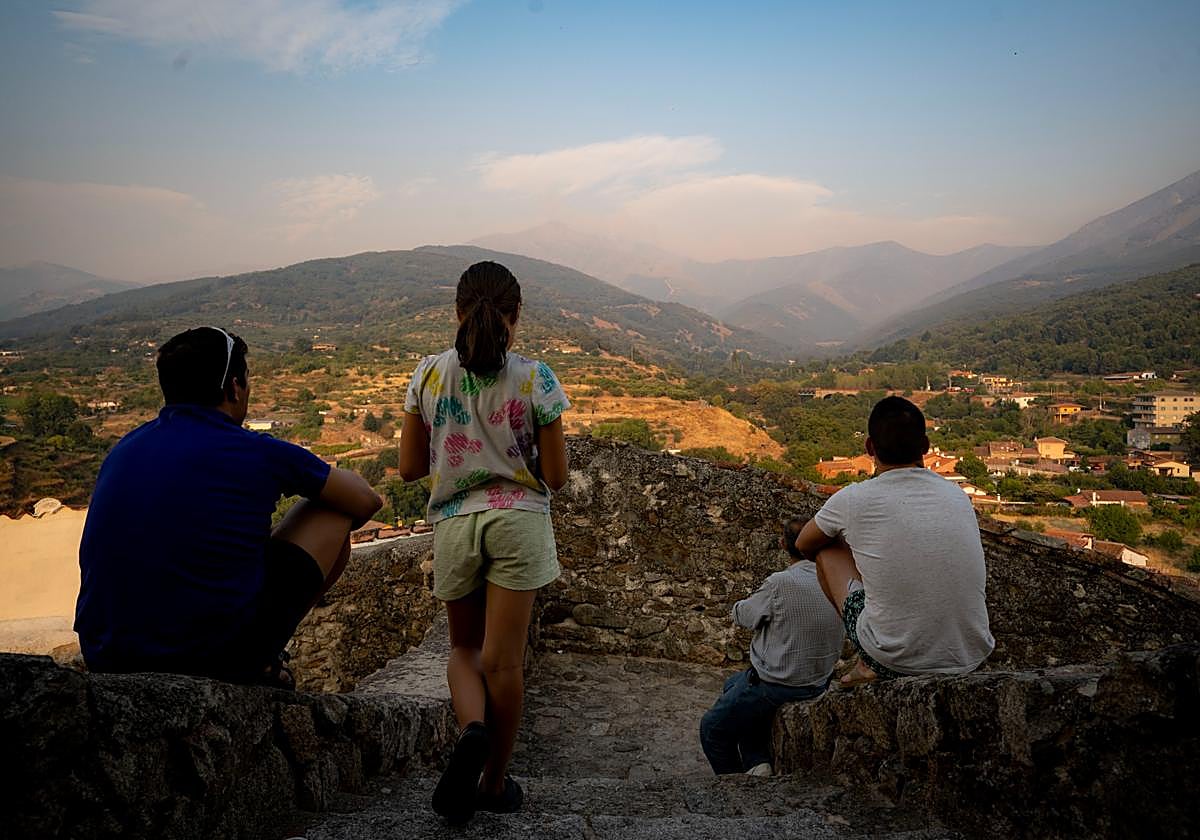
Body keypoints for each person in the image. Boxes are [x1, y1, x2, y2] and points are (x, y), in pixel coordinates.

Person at [75, 327, 383, 686]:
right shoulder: (257, 452)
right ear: (234, 387)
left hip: (106, 656)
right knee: (331, 511)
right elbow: (365, 502)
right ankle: (258, 659)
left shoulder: (124, 450)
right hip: (207, 659)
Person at [398, 261, 570, 825]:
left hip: (453, 524)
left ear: (457, 311)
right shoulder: (535, 378)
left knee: (463, 651)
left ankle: (471, 727)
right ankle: (493, 782)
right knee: (504, 663)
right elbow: (558, 475)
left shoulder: (426, 376)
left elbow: (406, 468)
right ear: (515, 316)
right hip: (518, 521)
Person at [794, 396, 994, 687]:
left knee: (827, 549)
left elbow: (804, 544)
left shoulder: (853, 498)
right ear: (925, 447)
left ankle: (867, 660)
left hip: (895, 660)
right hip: (970, 656)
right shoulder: (957, 496)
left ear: (869, 447)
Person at [699, 518, 845, 777]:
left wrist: (740, 605)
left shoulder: (781, 582)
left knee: (712, 729)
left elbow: (745, 616)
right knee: (733, 684)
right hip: (818, 681)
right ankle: (757, 759)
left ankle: (735, 785)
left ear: (782, 545)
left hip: (777, 685)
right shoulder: (836, 581)